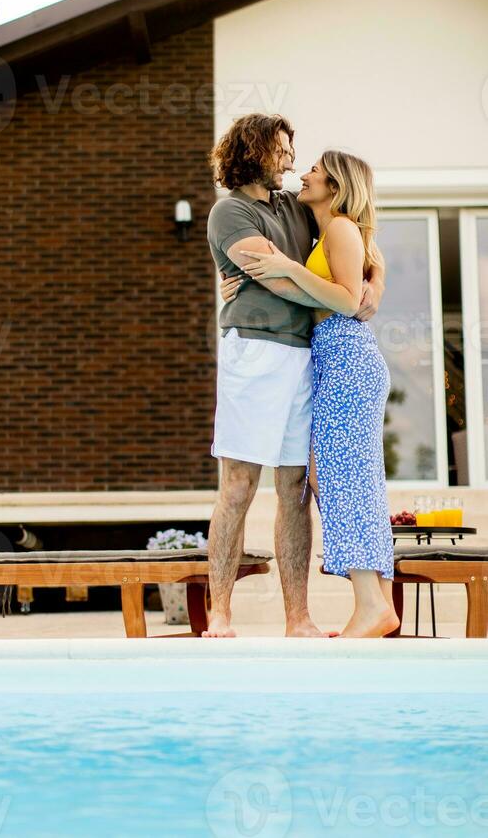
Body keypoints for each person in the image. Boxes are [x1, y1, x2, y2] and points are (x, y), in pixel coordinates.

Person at [205, 113, 385, 638]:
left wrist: (372, 286)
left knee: (295, 488)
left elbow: (360, 246)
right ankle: (221, 611)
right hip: (254, 354)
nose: (290, 159)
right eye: (283, 148)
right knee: (239, 485)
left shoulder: (296, 207)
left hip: (306, 356)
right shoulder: (229, 212)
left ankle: (299, 618)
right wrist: (343, 301)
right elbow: (277, 285)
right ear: (257, 150)